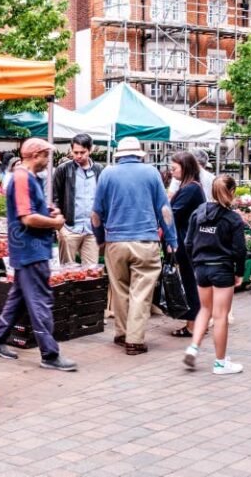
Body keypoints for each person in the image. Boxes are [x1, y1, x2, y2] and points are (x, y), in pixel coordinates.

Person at [0, 139, 78, 371]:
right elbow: (27, 218)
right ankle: (49, 353)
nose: (48, 161)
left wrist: (47, 212)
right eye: (46, 156)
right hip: (30, 249)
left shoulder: (27, 178)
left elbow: (30, 211)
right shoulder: (21, 178)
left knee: (18, 299)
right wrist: (55, 223)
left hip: (29, 249)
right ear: (36, 155)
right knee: (40, 301)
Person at [91, 137, 177, 356]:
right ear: (140, 154)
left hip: (115, 242)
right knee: (141, 292)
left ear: (119, 155)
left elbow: (96, 213)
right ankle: (135, 340)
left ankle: (121, 333)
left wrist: (100, 238)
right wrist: (172, 241)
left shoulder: (107, 174)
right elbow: (164, 210)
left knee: (119, 290)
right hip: (145, 241)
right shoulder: (151, 173)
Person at [183, 175, 246, 374]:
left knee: (205, 309)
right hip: (221, 269)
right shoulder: (233, 218)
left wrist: (196, 263)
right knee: (220, 316)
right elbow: (239, 250)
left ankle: (193, 347)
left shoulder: (198, 213)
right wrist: (239, 272)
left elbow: (188, 243)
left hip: (201, 268)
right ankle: (220, 363)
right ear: (232, 192)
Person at [169, 152, 206, 338]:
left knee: (190, 283)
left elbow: (173, 214)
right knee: (190, 282)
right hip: (189, 241)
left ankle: (193, 325)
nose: (171, 170)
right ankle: (194, 322)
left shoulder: (191, 188)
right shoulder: (190, 187)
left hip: (186, 242)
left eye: (174, 167)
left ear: (185, 167)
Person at [52, 134, 103, 265]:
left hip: (91, 229)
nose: (78, 156)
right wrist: (61, 227)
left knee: (91, 272)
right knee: (66, 271)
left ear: (90, 150)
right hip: (69, 228)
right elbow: (54, 197)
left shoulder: (99, 170)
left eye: (82, 152)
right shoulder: (63, 169)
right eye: (75, 152)